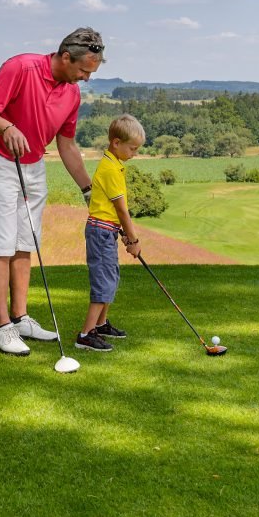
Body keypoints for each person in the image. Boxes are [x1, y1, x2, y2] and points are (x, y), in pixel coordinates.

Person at [0, 27, 104, 356]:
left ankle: (20, 317)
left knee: (25, 242)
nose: (86, 78)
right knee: (2, 243)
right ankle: (3, 328)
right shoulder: (21, 67)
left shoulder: (72, 94)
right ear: (65, 57)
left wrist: (88, 189)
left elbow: (68, 145)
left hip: (34, 166)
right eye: (83, 71)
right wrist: (7, 127)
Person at [76, 115, 145, 352]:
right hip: (99, 232)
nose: (134, 153)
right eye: (132, 148)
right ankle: (85, 334)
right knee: (103, 281)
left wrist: (122, 234)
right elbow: (122, 210)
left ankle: (101, 324)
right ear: (116, 143)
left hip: (107, 230)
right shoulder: (110, 169)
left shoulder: (114, 164)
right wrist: (133, 240)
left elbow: (114, 213)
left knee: (111, 278)